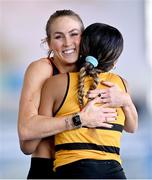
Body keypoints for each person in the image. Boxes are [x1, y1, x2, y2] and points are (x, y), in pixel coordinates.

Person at [18, 10, 120, 179]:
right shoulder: (42, 69)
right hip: (46, 169)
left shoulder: (92, 72)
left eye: (74, 34)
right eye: (58, 37)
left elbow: (130, 127)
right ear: (48, 43)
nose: (67, 43)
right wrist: (80, 119)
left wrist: (124, 101)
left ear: (85, 38)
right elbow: (26, 138)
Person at [39, 22, 138, 179]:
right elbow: (132, 128)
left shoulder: (56, 83)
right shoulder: (121, 86)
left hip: (71, 170)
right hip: (114, 172)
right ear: (114, 62)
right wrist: (126, 101)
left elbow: (40, 130)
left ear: (81, 50)